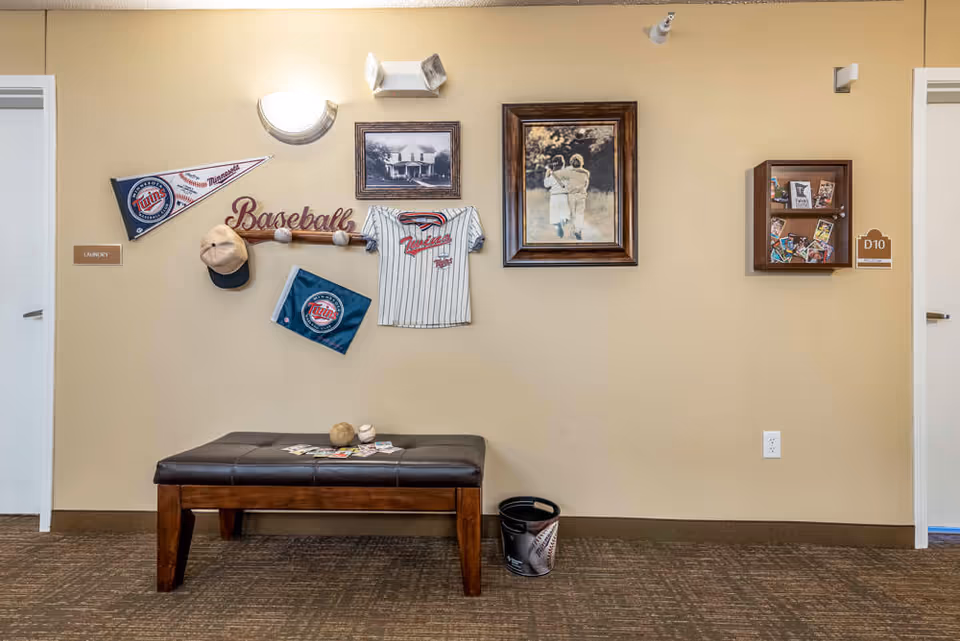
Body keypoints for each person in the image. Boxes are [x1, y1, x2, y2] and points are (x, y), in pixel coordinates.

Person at [543, 155, 570, 238]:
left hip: (554, 197)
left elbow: (546, 185)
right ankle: (562, 223)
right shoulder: (566, 173)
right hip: (564, 196)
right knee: (565, 215)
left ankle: (558, 226)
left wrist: (547, 173)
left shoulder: (552, 175)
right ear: (563, 164)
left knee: (555, 216)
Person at [565, 154, 590, 241]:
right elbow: (586, 185)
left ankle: (573, 232)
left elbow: (566, 184)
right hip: (581, 196)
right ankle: (578, 231)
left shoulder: (568, 172)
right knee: (580, 214)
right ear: (581, 162)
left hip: (571, 196)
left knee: (572, 214)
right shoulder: (586, 173)